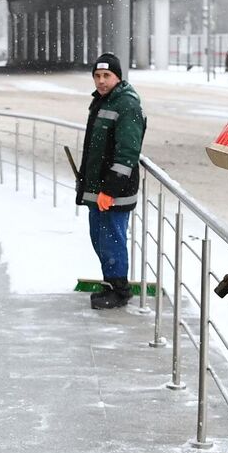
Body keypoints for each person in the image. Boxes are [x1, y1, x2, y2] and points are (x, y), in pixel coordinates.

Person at [74, 52, 145, 309]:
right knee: (99, 237)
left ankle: (120, 290)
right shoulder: (103, 101)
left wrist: (110, 190)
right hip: (98, 189)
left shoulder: (126, 104)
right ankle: (109, 282)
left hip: (114, 192)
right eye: (97, 75)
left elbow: (127, 152)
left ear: (118, 77)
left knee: (112, 239)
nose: (101, 81)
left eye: (107, 76)